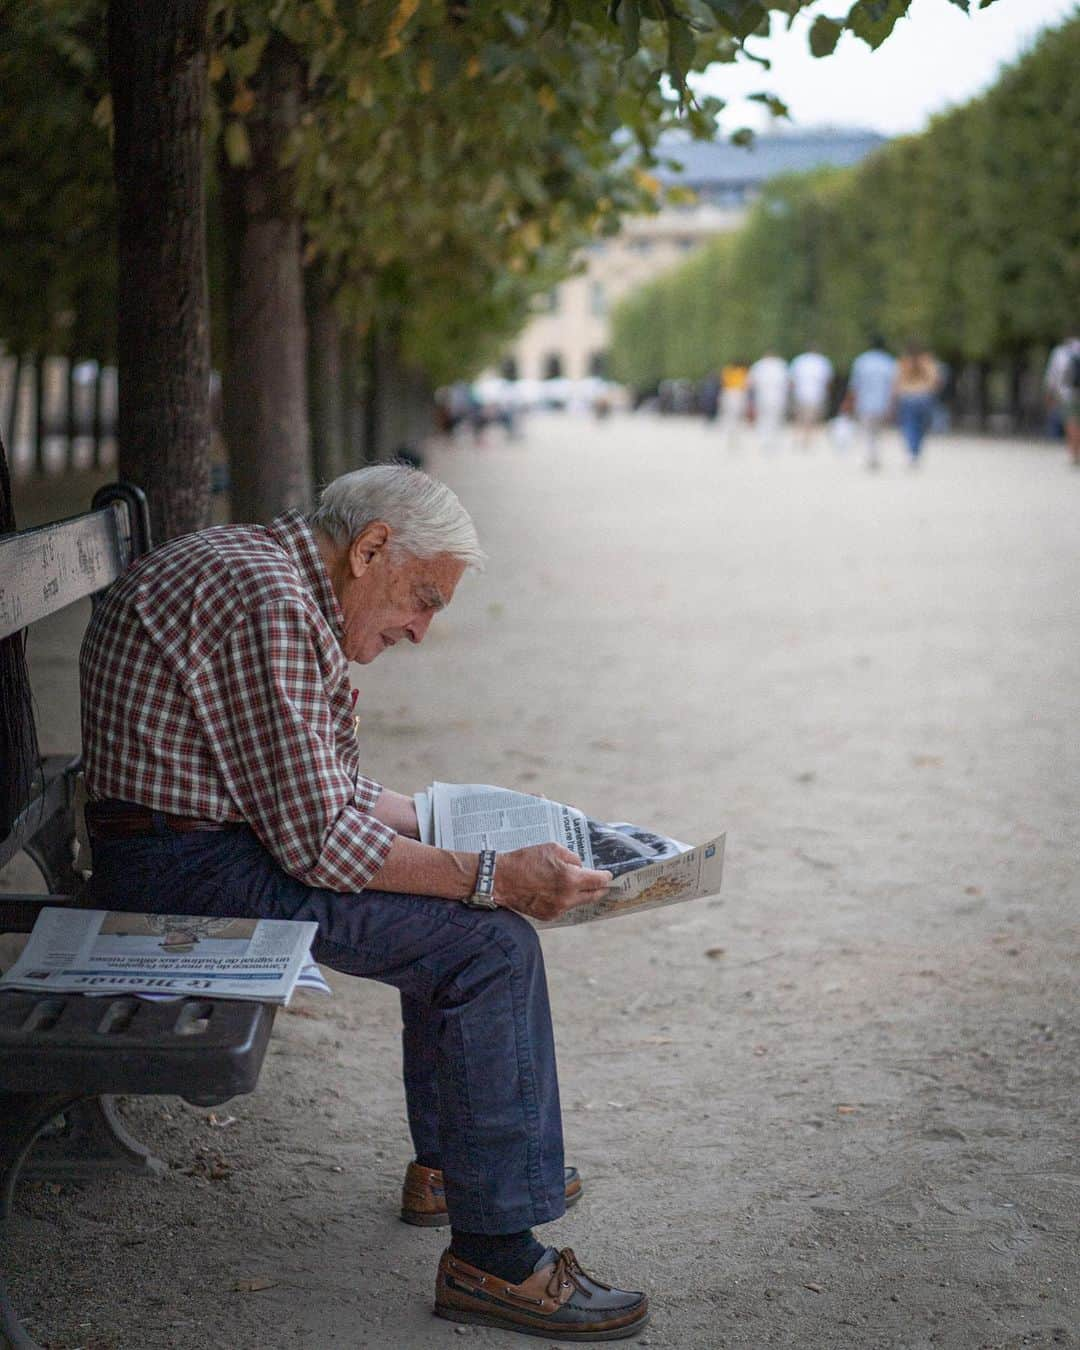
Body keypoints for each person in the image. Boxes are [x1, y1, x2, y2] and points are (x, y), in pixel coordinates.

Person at [79, 465, 649, 1341]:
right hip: (179, 869)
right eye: (421, 598)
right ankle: (494, 1258)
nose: (420, 630)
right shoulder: (265, 599)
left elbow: (334, 792)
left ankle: (456, 1171)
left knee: (465, 928)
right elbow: (322, 843)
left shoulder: (274, 578)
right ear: (371, 548)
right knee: (489, 946)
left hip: (202, 842)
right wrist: (495, 876)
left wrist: (485, 828)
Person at [846, 336, 898, 471]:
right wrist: (893, 404)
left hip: (865, 402)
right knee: (878, 431)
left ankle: (871, 455)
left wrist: (850, 402)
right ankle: (876, 454)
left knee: (868, 431)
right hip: (882, 402)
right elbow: (893, 386)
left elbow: (855, 385)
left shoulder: (862, 361)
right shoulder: (889, 362)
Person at [894, 339, 942, 465]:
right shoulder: (927, 361)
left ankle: (912, 450)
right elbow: (935, 380)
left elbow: (897, 381)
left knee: (909, 425)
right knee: (921, 426)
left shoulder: (903, 362)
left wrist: (896, 397)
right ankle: (916, 450)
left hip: (908, 397)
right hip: (923, 397)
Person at [1044, 334, 1080, 465]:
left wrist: (1050, 393)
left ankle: (1074, 454)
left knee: (1072, 422)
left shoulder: (1060, 352)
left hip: (1069, 394)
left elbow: (1053, 374)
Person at [788, 348, 834, 449]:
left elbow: (792, 380)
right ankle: (808, 441)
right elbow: (828, 381)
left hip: (800, 393)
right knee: (812, 419)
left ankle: (797, 440)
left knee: (799, 418)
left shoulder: (799, 360)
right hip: (817, 394)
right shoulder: (822, 361)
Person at [747, 349, 789, 451]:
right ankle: (775, 443)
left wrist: (750, 400)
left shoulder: (759, 366)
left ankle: (764, 442)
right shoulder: (781, 365)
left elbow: (750, 383)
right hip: (778, 397)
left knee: (763, 420)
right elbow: (788, 383)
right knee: (776, 420)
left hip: (762, 396)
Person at [718, 359, 750, 449]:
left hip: (729, 393)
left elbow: (723, 383)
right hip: (738, 394)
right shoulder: (742, 372)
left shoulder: (727, 371)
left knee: (728, 415)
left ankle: (729, 431)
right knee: (737, 415)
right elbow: (746, 385)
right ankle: (734, 431)